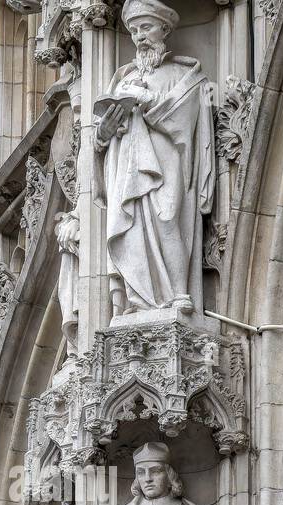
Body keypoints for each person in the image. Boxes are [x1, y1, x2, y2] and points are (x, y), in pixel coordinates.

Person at [95, 0, 214, 320]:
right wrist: (103, 133)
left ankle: (178, 293)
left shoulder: (182, 75)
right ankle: (136, 296)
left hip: (167, 160)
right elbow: (103, 135)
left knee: (167, 219)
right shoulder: (123, 79)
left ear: (165, 29)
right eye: (133, 31)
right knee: (130, 224)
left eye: (146, 28)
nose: (139, 37)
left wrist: (147, 102)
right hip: (128, 164)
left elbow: (186, 121)